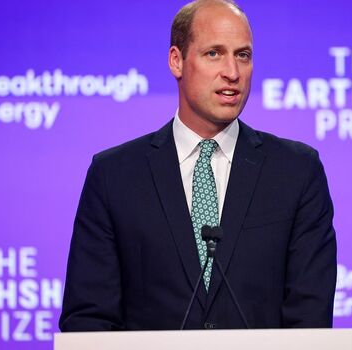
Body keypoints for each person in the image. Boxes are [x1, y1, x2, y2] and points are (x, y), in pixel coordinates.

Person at [59, 0, 336, 331]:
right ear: (177, 61)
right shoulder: (114, 176)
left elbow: (310, 317)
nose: (232, 73)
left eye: (243, 55)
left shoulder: (296, 171)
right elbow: (89, 319)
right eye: (214, 53)